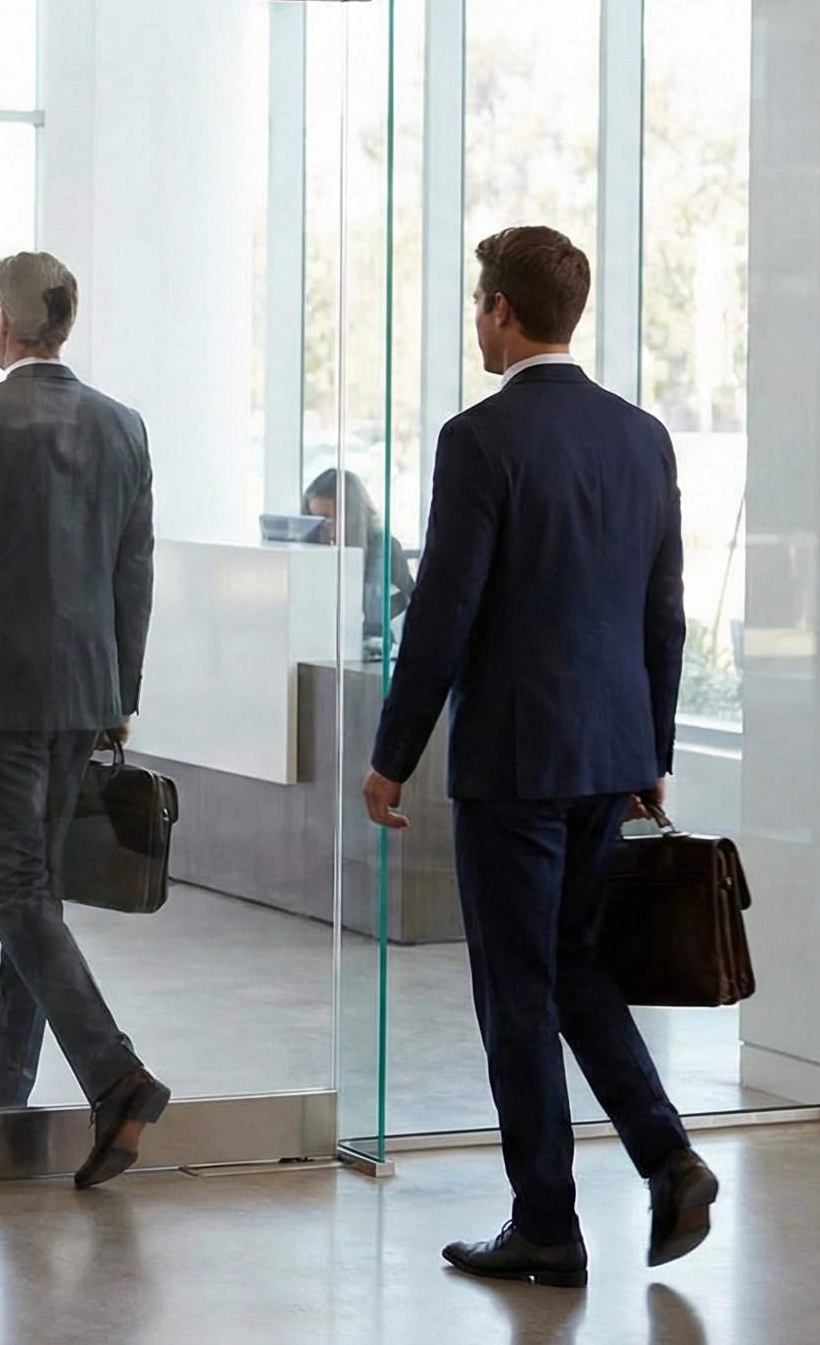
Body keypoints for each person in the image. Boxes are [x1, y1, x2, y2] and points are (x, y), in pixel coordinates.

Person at [362, 225, 711, 1287]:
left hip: (514, 760)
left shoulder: (480, 441)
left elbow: (441, 616)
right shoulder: (640, 437)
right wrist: (648, 746)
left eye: (478, 302)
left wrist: (390, 756)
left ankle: (547, 1226)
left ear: (503, 311)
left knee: (514, 991)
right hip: (607, 753)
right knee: (569, 968)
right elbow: (664, 613)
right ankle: (665, 1156)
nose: (476, 319)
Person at [0, 251, 170, 1191]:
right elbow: (135, 576)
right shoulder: (124, 427)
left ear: (3, 325)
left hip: (1, 699)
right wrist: (118, 696)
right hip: (84, 695)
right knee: (36, 889)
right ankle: (6, 1080)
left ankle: (117, 1079)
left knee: (11, 894)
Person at [305, 466, 413, 643]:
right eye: (317, 521)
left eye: (331, 518)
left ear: (353, 514)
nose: (327, 530)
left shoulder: (384, 547)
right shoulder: (315, 553)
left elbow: (404, 606)